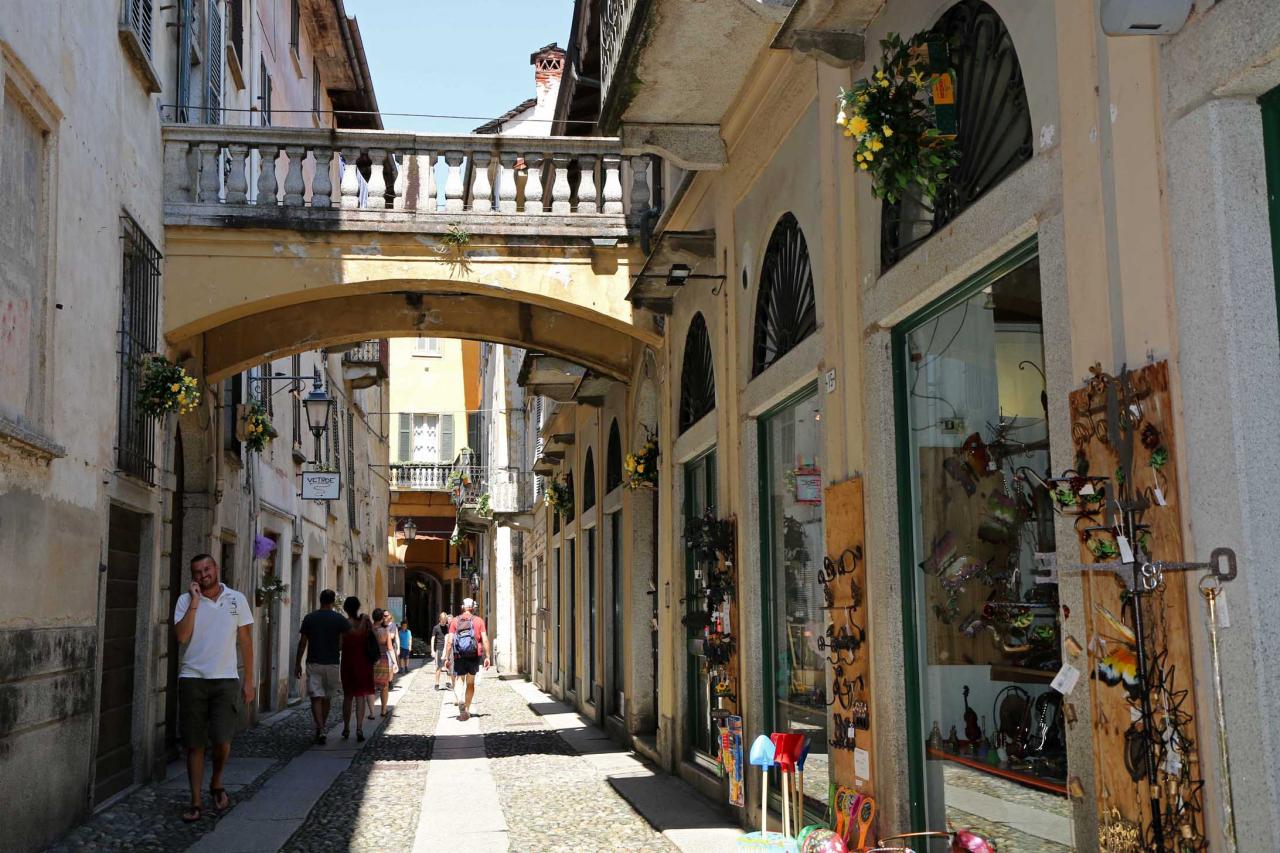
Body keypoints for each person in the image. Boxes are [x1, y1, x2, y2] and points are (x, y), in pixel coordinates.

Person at [173, 554, 255, 822]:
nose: (203, 574)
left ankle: (216, 782)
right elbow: (182, 637)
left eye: (207, 568)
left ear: (216, 568)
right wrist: (195, 603)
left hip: (225, 680)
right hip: (193, 679)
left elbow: (245, 640)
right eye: (197, 571)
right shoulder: (185, 602)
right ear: (193, 576)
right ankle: (195, 801)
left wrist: (250, 679)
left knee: (222, 741)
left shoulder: (236, 600)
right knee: (194, 745)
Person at [294, 589, 349, 745]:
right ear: (332, 601)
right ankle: (321, 727)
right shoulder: (339, 619)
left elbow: (302, 643)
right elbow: (346, 639)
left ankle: (321, 728)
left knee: (315, 698)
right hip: (332, 664)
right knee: (327, 698)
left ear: (320, 600)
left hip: (314, 663)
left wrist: (297, 663)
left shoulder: (310, 618)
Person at [444, 598, 490, 721]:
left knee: (459, 679)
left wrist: (447, 657)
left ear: (463, 607)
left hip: (459, 655)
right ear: (473, 608)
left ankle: (460, 699)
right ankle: (467, 710)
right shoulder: (479, 621)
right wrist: (488, 656)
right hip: (474, 655)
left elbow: (450, 641)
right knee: (470, 683)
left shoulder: (455, 621)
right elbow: (485, 639)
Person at [339, 596, 375, 742]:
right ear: (358, 607)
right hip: (364, 663)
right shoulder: (365, 621)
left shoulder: (344, 625)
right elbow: (371, 637)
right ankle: (359, 728)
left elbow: (340, 645)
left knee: (348, 696)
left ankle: (346, 728)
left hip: (348, 663)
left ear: (345, 609)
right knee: (360, 696)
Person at [371, 608, 398, 717]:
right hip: (382, 658)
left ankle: (372, 712)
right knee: (384, 686)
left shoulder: (369, 630)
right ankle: (383, 709)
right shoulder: (385, 631)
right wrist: (395, 662)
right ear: (382, 618)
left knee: (370, 686)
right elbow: (390, 648)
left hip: (370, 659)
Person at [431, 612, 451, 691]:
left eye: (445, 620)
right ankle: (437, 683)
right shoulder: (436, 628)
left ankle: (448, 682)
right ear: (440, 619)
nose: (444, 621)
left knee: (448, 666)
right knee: (438, 667)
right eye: (442, 620)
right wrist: (432, 650)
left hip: (447, 648)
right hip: (439, 648)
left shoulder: (448, 627)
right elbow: (433, 638)